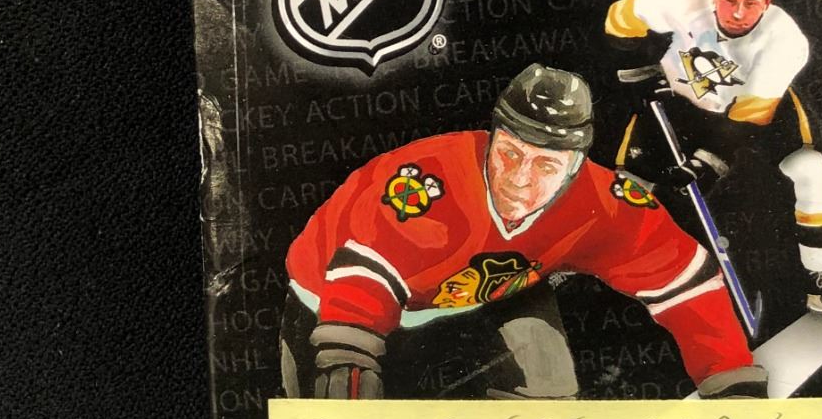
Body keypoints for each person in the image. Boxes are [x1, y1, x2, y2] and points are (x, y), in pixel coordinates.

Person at [282, 64, 763, 401]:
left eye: (545, 165)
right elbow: (363, 273)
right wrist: (347, 355)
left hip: (493, 291)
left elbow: (684, 284)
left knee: (549, 392)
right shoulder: (427, 181)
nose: (519, 179)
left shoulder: (605, 202)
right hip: (328, 297)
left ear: (575, 166)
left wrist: (731, 378)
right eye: (509, 153)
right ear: (493, 138)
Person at [604, 0, 822, 316]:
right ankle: (613, 276)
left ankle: (819, 275)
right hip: (679, 102)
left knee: (810, 169)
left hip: (749, 111)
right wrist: (639, 64)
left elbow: (748, 119)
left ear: (767, 0)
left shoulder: (785, 39)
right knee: (628, 186)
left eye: (751, 2)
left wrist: (707, 162)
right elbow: (618, 22)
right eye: (729, 0)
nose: (738, 13)